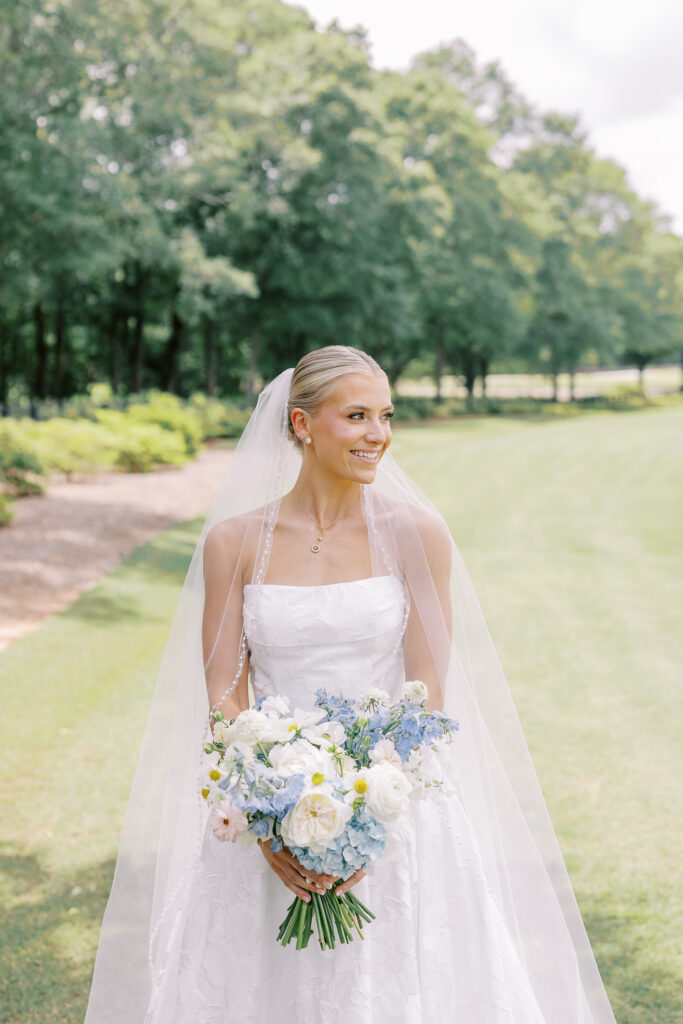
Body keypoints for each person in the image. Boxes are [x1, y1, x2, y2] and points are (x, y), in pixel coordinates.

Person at [85, 345, 617, 1023]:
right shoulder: (233, 542)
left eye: (386, 416)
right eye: (358, 416)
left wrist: (363, 815)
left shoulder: (415, 533)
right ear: (302, 424)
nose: (378, 434)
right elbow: (224, 691)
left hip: (396, 809)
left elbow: (427, 688)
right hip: (267, 816)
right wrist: (270, 818)